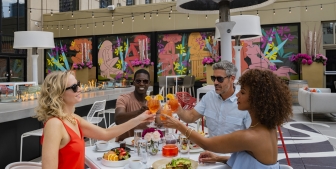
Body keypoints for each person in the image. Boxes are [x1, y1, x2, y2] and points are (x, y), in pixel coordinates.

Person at [162, 69, 293, 169]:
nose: (237, 95)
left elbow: (207, 143)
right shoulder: (267, 129)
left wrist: (178, 125)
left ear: (256, 100)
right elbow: (253, 161)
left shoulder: (250, 136)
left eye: (242, 92)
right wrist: (220, 158)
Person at [35, 71, 155, 169]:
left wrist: (140, 118)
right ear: (59, 94)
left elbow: (106, 134)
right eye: (74, 87)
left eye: (78, 84)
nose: (79, 89)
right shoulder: (54, 124)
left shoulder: (73, 119)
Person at [173, 60, 251, 137]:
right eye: (214, 78)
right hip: (211, 149)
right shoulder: (209, 97)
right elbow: (191, 116)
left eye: (220, 79)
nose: (215, 82)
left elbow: (252, 136)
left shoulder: (243, 102)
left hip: (235, 150)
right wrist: (179, 110)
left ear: (232, 79)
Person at [114, 69, 152, 142]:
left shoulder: (153, 102)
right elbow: (118, 119)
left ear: (149, 83)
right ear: (134, 83)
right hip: (124, 146)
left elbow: (160, 124)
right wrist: (139, 112)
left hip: (146, 145)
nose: (141, 84)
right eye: (138, 81)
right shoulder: (124, 98)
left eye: (145, 81)